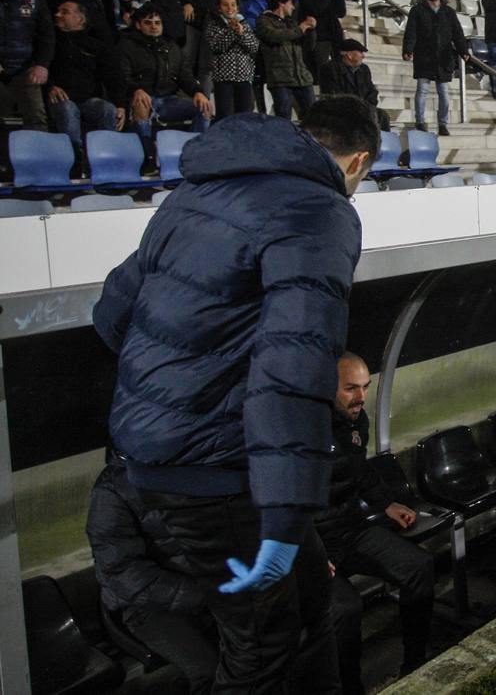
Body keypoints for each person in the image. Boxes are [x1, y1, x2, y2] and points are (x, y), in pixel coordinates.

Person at [94, 97, 376, 693]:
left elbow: (111, 316)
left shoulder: (196, 195)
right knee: (260, 645)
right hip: (218, 469)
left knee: (311, 599)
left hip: (167, 455)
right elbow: (295, 366)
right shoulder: (321, 210)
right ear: (358, 162)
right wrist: (286, 509)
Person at [321, 354, 435, 686]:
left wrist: (386, 503)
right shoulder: (302, 427)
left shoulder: (356, 422)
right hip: (310, 540)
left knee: (418, 567)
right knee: (345, 609)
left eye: (365, 387)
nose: (360, 398)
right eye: (350, 389)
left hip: (349, 528)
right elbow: (280, 499)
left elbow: (357, 470)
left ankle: (415, 666)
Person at [87, 451, 218, 695]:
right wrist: (202, 595)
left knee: (255, 650)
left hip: (203, 590)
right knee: (210, 671)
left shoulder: (189, 467)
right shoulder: (112, 491)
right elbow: (123, 573)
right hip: (146, 607)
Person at [120, 4, 211, 158]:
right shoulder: (127, 46)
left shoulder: (172, 48)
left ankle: (196, 155)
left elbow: (186, 76)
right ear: (138, 25)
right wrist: (136, 89)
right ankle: (148, 158)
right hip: (141, 100)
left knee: (204, 106)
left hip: (169, 101)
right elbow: (122, 77)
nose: (153, 27)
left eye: (157, 23)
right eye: (148, 23)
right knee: (141, 104)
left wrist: (198, 92)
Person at [44, 0, 123, 157]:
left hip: (87, 100)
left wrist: (120, 105)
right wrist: (50, 86)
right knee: (67, 108)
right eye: (58, 11)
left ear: (81, 19)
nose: (57, 15)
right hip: (59, 99)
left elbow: (114, 76)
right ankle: (75, 159)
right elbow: (39, 68)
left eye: (65, 12)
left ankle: (105, 157)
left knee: (108, 110)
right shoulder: (49, 41)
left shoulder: (96, 45)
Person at [402, 0, 468, 136]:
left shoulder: (449, 12)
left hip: (443, 58)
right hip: (424, 55)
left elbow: (457, 34)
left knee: (444, 94)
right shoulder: (417, 10)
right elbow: (411, 31)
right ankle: (420, 121)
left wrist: (463, 51)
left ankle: (443, 124)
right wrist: (408, 49)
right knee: (422, 90)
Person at [0, 0, 54, 131]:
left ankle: (40, 159)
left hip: (24, 67)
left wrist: (42, 64)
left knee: (37, 117)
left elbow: (46, 33)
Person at [255, 0, 317, 121]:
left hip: (301, 76)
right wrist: (300, 29)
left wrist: (310, 30)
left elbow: (308, 46)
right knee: (283, 118)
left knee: (313, 116)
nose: (293, 7)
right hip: (280, 78)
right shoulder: (263, 20)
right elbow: (273, 36)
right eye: (290, 3)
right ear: (281, 3)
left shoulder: (291, 23)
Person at [203, 0, 258, 119]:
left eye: (233, 5)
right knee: (224, 117)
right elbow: (217, 46)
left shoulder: (244, 24)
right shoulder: (213, 24)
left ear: (238, 8)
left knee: (244, 117)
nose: (230, 8)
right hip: (223, 79)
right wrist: (233, 31)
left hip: (244, 78)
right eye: (225, 5)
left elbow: (254, 46)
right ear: (219, 8)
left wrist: (241, 34)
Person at [319, 37, 389, 131]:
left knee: (382, 116)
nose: (363, 56)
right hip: (342, 110)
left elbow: (372, 92)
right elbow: (333, 95)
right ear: (349, 55)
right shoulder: (330, 68)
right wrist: (355, 108)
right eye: (360, 52)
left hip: (363, 109)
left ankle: (379, 144)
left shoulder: (364, 69)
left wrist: (366, 107)